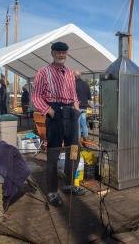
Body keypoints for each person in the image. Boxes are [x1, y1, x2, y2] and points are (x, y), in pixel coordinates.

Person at [32, 41, 85, 207]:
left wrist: (76, 110)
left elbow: (74, 94)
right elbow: (36, 97)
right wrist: (51, 112)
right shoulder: (43, 72)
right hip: (55, 112)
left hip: (71, 112)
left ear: (66, 54)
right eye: (58, 52)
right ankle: (52, 192)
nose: (61, 55)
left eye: (64, 52)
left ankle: (69, 185)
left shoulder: (69, 73)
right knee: (53, 155)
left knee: (74, 150)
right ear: (52, 53)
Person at [74, 71, 91, 142]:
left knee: (77, 124)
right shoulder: (86, 84)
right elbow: (89, 96)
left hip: (77, 107)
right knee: (84, 124)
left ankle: (78, 140)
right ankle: (86, 139)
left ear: (75, 76)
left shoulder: (74, 84)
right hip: (84, 107)